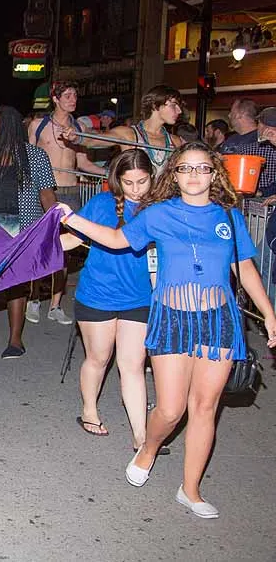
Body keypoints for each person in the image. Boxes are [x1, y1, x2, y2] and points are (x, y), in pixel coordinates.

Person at [60, 142, 276, 518]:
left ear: (215, 173)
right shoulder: (158, 214)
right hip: (173, 318)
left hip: (219, 321)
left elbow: (244, 266)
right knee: (171, 409)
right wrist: (71, 218)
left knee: (205, 408)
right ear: (174, 175)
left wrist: (268, 314)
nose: (194, 175)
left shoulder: (229, 216)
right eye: (185, 168)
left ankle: (190, 490)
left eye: (202, 168)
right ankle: (148, 448)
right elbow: (116, 240)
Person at [60, 149, 168, 455]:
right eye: (128, 183)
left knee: (133, 365)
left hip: (139, 297)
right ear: (117, 181)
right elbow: (74, 238)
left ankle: (141, 436)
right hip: (98, 293)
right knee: (98, 358)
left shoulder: (158, 210)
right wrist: (33, 248)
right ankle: (89, 411)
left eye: (142, 182)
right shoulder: (101, 203)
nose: (136, 189)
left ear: (152, 178)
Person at [0, 105, 58, 359]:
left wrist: (55, 224)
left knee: (17, 282)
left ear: (7, 126)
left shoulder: (36, 157)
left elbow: (46, 194)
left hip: (23, 226)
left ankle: (15, 339)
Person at [27, 81, 107, 325]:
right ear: (55, 98)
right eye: (68, 95)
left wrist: (111, 173)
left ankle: (55, 304)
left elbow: (83, 163)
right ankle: (33, 299)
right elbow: (28, 159)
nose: (73, 99)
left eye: (75, 95)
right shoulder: (38, 125)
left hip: (71, 192)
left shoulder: (79, 128)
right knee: (40, 246)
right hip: (45, 192)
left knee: (66, 250)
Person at [65, 84, 185, 176]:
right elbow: (94, 141)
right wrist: (76, 136)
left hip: (166, 201)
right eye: (173, 105)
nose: (179, 111)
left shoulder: (175, 141)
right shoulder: (129, 135)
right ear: (155, 105)